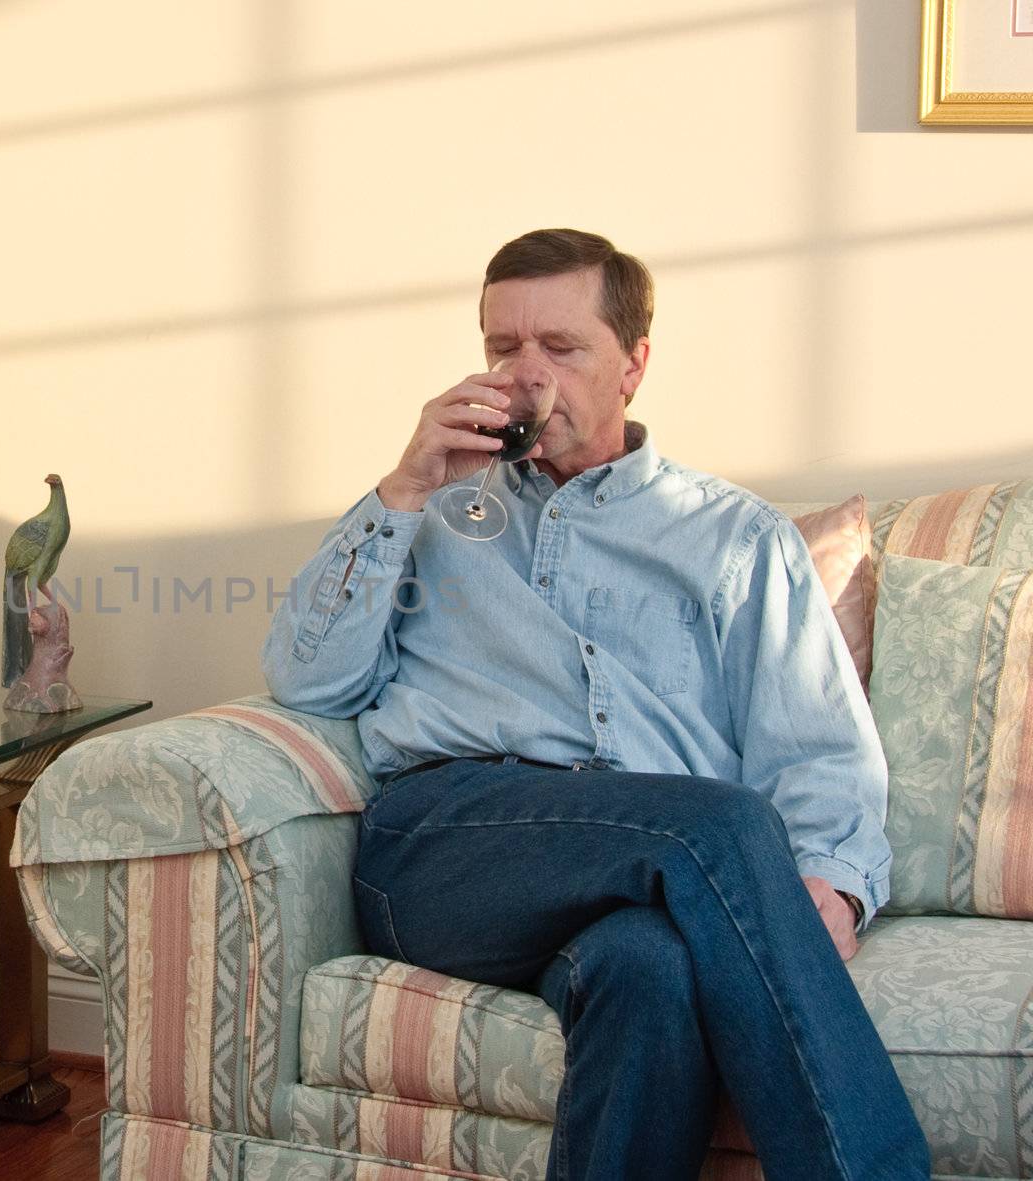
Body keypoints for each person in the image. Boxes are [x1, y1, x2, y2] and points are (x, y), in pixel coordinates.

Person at [261, 229, 929, 1181]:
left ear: (633, 366)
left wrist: (832, 883)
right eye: (503, 348)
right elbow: (308, 677)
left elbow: (820, 749)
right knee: (720, 831)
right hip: (449, 849)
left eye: (560, 348)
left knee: (648, 969)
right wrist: (404, 487)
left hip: (640, 866)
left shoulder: (737, 539)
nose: (524, 375)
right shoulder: (434, 512)